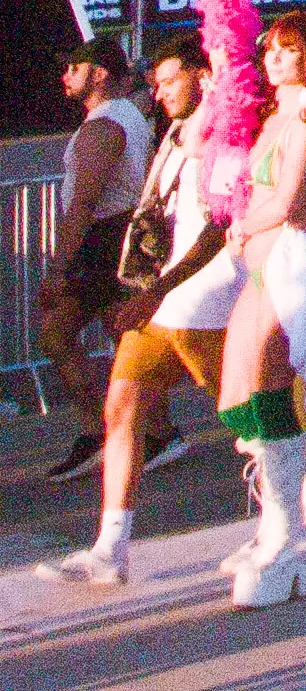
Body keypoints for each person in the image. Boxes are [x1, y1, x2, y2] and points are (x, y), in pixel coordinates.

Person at [37, 38, 214, 587]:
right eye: (155, 84)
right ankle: (111, 545)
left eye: (167, 82)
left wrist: (62, 264)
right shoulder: (160, 128)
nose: (156, 94)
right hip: (144, 270)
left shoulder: (115, 125)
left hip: (151, 270)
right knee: (126, 390)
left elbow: (88, 201)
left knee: (247, 406)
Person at [212, 14, 306, 607]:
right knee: (237, 392)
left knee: (266, 381)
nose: (273, 59)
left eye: (288, 51)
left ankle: (288, 535)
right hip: (264, 260)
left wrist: (243, 224)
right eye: (269, 49)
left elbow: (295, 196)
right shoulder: (279, 114)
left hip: (294, 260)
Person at [37, 39, 153, 486]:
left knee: (57, 332)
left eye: (73, 66)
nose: (65, 75)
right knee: (126, 336)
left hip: (104, 242)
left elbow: (84, 202)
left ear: (100, 73)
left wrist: (57, 268)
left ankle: (100, 432)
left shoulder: (105, 124)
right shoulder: (123, 116)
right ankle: (153, 432)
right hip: (113, 240)